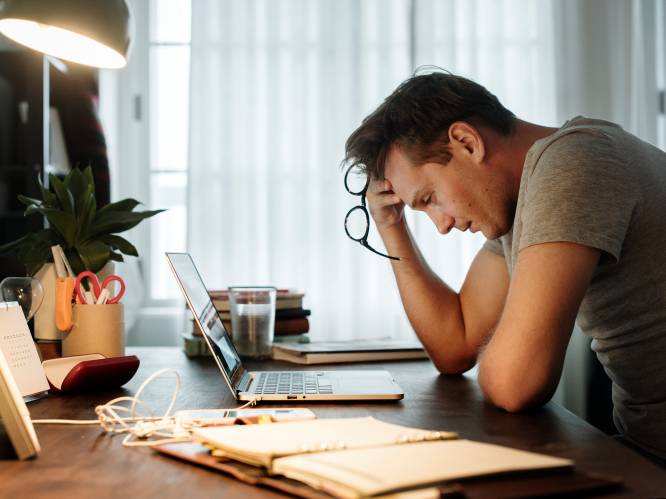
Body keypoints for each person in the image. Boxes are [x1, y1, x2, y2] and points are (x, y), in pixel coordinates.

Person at [343, 70, 666, 465]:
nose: (442, 225)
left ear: (466, 142)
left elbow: (517, 382)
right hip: (641, 448)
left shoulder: (576, 162)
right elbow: (455, 346)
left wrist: (508, 351)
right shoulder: (523, 200)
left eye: (430, 198)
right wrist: (391, 224)